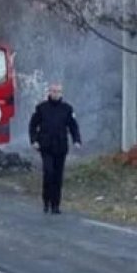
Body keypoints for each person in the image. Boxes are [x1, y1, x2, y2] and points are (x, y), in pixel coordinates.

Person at [28, 83, 81, 214]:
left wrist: (77, 140)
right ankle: (46, 201)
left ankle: (55, 205)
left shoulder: (67, 109)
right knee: (48, 173)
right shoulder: (41, 108)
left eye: (58, 92)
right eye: (53, 91)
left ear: (61, 93)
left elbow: (73, 126)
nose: (56, 94)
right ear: (49, 92)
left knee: (58, 176)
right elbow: (33, 125)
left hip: (61, 147)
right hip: (45, 146)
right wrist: (34, 140)